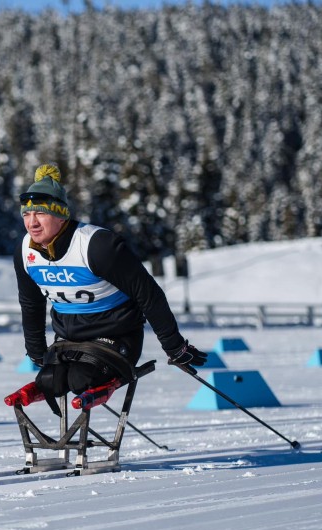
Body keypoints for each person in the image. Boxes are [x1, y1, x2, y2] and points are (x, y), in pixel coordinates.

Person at [14, 163, 207, 414]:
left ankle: (108, 379)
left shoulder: (96, 245)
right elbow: (31, 303)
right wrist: (36, 351)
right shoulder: (25, 251)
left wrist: (174, 346)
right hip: (68, 340)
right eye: (26, 215)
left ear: (61, 214)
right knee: (49, 380)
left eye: (40, 213)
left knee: (80, 379)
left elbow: (147, 293)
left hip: (116, 337)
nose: (32, 222)